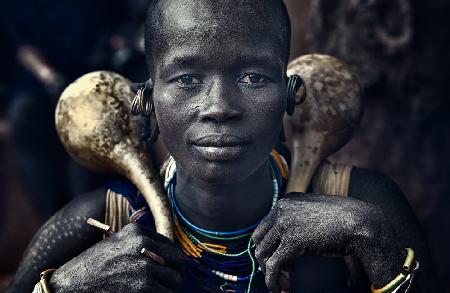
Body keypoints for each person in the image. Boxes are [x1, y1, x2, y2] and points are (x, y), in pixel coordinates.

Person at [6, 0, 441, 292]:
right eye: (187, 79)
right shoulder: (96, 224)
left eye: (252, 77)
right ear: (147, 99)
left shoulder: (361, 204)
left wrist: (375, 243)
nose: (219, 108)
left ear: (291, 94)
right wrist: (65, 286)